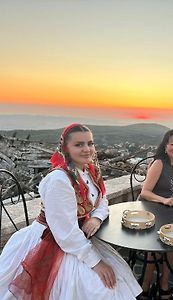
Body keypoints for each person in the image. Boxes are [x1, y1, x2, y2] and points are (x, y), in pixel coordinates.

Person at [0, 123, 142, 300]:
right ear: (65, 148)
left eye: (90, 143)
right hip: (53, 241)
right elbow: (65, 234)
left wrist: (96, 218)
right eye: (79, 144)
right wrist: (96, 263)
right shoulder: (59, 180)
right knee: (101, 287)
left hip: (76, 237)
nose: (87, 149)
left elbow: (102, 199)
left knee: (115, 278)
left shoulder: (88, 170)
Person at [139, 128, 173, 300]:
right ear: (165, 147)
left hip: (170, 211)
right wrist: (164, 200)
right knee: (157, 246)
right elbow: (144, 192)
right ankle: (145, 284)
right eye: (172, 144)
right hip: (151, 210)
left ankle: (164, 282)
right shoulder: (159, 163)